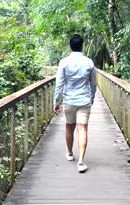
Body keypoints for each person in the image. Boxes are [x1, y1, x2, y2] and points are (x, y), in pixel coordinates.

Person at [53, 34, 96, 173]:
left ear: (70, 45)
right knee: (82, 128)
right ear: (82, 45)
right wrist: (92, 97)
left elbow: (59, 84)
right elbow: (93, 84)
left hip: (69, 100)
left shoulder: (64, 62)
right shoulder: (89, 62)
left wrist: (56, 102)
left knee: (69, 126)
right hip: (84, 100)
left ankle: (70, 153)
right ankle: (81, 162)